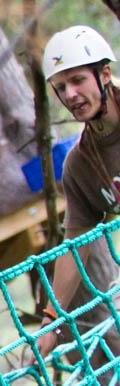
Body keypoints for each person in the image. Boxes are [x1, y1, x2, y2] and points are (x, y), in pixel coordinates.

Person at [37, 26, 120, 355]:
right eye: (61, 87)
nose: (70, 94)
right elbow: (77, 244)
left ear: (104, 74)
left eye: (77, 80)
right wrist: (51, 320)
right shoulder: (81, 165)